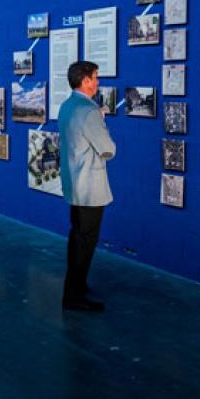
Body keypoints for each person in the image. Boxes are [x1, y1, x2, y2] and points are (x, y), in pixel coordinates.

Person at [58, 61, 116, 312]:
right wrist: (100, 121)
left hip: (74, 183)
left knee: (77, 239)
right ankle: (73, 297)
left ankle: (76, 287)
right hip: (90, 187)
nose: (98, 82)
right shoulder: (89, 111)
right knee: (85, 242)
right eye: (95, 77)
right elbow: (108, 149)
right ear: (85, 81)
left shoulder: (68, 105)